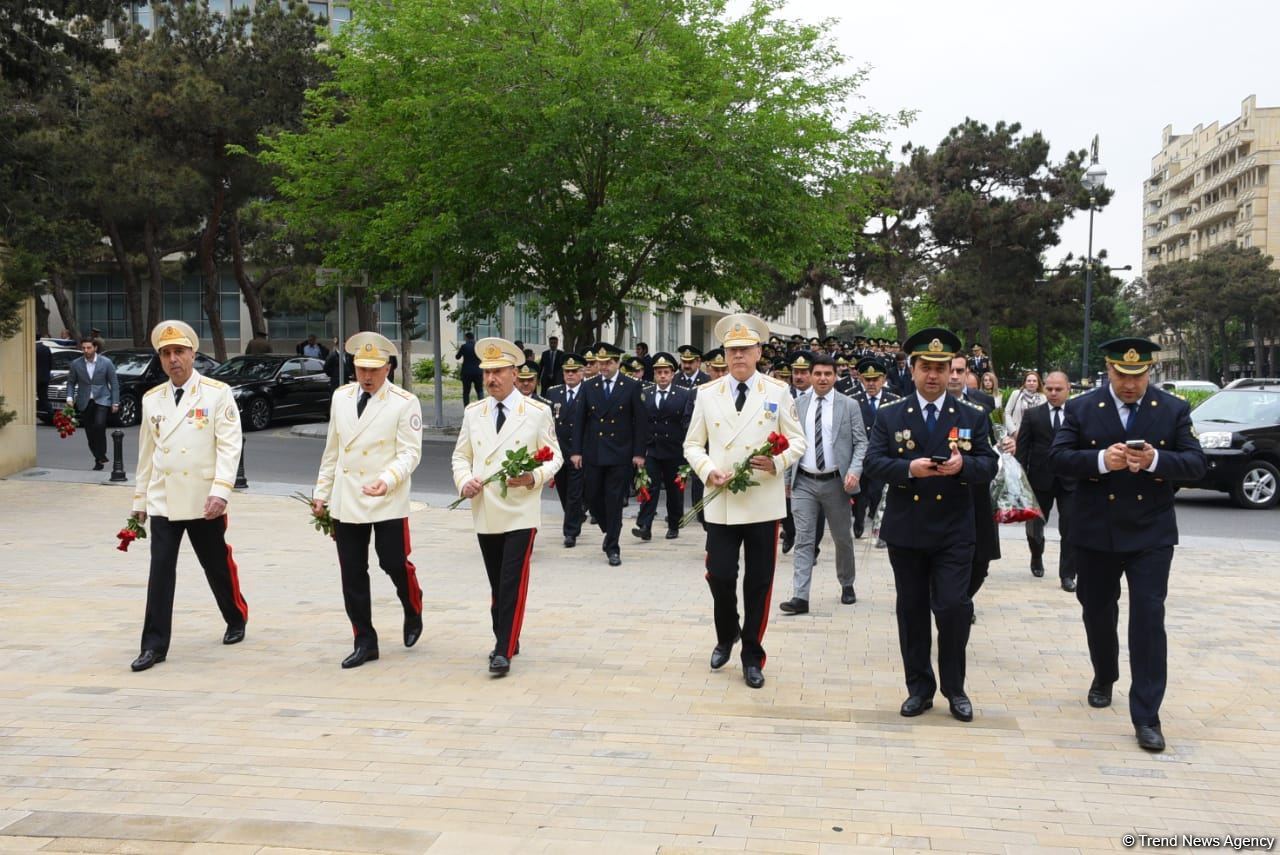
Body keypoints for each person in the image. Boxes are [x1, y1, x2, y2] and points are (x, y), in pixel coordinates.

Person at [1049, 337, 1207, 753]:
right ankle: (1104, 673)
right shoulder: (1082, 407)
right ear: (1108, 370)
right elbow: (1059, 458)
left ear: (1149, 373)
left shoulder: (1171, 409)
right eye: (1122, 375)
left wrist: (1156, 461)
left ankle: (1147, 716)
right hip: (1096, 530)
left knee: (1148, 620)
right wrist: (1102, 460)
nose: (1130, 384)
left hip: (1149, 532)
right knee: (1097, 610)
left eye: (1138, 376)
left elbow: (1196, 464)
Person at [863, 328, 998, 722]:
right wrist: (909, 468)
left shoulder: (972, 416)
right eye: (926, 367)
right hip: (908, 529)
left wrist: (963, 467)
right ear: (913, 368)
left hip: (955, 529)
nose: (934, 375)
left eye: (941, 367)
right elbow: (873, 463)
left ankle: (955, 688)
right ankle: (919, 688)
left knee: (954, 606)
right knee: (912, 609)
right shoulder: (891, 415)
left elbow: (989, 464)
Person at [683, 313, 804, 689]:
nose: (738, 356)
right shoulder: (707, 393)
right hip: (721, 499)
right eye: (732, 350)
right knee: (719, 574)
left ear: (758, 352)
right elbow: (691, 444)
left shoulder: (777, 391)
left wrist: (778, 461)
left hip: (762, 501)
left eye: (745, 350)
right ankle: (727, 632)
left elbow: (797, 440)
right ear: (724, 354)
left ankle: (753, 654)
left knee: (759, 583)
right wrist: (707, 470)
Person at [129, 321, 247, 672]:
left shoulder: (216, 393)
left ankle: (235, 616)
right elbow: (146, 455)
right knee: (161, 570)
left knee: (215, 564)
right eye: (166, 354)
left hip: (203, 498)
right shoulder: (153, 399)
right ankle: (153, 646)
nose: (173, 359)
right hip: (165, 498)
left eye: (179, 352)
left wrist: (221, 492)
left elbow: (229, 446)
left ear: (193, 354)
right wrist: (139, 502)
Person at [451, 337, 562, 675]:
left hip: (519, 509)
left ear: (515, 373)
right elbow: (461, 456)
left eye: (498, 371)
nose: (490, 379)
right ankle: (507, 636)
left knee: (512, 580)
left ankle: (502, 650)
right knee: (496, 581)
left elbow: (554, 456)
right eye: (486, 373)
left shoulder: (536, 412)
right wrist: (464, 480)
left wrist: (533, 477)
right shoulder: (474, 412)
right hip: (485, 508)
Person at [312, 333, 423, 669]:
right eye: (361, 368)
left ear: (388, 368)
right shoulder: (341, 397)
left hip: (386, 496)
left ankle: (412, 603)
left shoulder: (404, 402)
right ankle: (365, 640)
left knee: (392, 561)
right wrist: (321, 493)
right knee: (352, 571)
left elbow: (409, 453)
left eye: (374, 369)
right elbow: (333, 450)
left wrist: (387, 480)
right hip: (348, 498)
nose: (367, 376)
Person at [778, 353, 865, 615]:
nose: (823, 378)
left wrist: (854, 470)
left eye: (828, 374)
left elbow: (861, 442)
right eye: (818, 374)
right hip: (803, 480)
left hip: (837, 483)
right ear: (810, 376)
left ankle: (847, 583)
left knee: (841, 539)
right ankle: (800, 596)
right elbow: (788, 443)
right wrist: (785, 480)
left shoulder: (849, 405)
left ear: (836, 376)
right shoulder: (798, 404)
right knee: (804, 539)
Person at [570, 342, 648, 566]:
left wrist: (638, 453)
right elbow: (580, 421)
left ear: (617, 363)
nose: (603, 367)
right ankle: (609, 531)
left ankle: (613, 546)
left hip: (620, 452)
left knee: (614, 501)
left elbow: (640, 422)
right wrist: (576, 451)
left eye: (608, 363)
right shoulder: (589, 386)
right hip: (593, 451)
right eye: (600, 363)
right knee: (593, 498)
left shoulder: (631, 385)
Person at [950, 356, 1010, 605]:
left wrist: (1008, 443)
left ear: (967, 374)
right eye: (949, 370)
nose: (954, 376)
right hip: (941, 493)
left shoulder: (984, 405)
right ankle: (952, 601)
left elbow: (998, 438)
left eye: (959, 371)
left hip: (976, 490)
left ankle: (963, 599)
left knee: (980, 560)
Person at [1015, 370, 1077, 591]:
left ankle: (1068, 574)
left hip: (1070, 480)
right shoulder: (1033, 415)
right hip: (1040, 478)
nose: (1053, 393)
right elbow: (1022, 449)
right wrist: (1020, 479)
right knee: (1035, 528)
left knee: (1070, 528)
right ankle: (1036, 555)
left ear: (1068, 389)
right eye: (1049, 389)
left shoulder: (1077, 414)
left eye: (1058, 389)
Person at [632, 352, 691, 542]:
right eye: (659, 373)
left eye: (666, 372)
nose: (663, 376)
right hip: (653, 449)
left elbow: (687, 423)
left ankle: (674, 524)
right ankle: (645, 525)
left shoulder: (684, 394)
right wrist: (639, 451)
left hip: (674, 450)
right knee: (649, 486)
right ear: (654, 375)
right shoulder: (646, 393)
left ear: (673, 374)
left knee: (674, 491)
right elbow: (639, 424)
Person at [850, 357, 900, 540]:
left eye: (875, 379)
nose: (871, 383)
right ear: (861, 380)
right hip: (860, 456)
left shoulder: (893, 400)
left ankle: (878, 524)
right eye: (867, 379)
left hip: (882, 456)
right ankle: (859, 521)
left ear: (883, 379)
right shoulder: (853, 400)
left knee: (878, 491)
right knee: (860, 493)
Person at [543, 353, 587, 547]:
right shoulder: (554, 393)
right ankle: (575, 516)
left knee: (575, 493)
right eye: (566, 371)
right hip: (558, 451)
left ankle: (570, 532)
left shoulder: (589, 391)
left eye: (574, 371)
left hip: (579, 451)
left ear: (582, 372)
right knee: (563, 490)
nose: (570, 375)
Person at [65, 336, 120, 470]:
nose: (86, 350)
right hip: (84, 401)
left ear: (95, 348)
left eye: (89, 347)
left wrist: (115, 402)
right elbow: (71, 383)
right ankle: (98, 459)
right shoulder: (76, 364)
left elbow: (114, 383)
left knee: (99, 425)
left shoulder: (106, 362)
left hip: (102, 399)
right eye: (83, 348)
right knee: (90, 432)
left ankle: (101, 454)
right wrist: (69, 398)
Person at [1003, 370, 1046, 434]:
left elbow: (1045, 417)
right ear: (1025, 383)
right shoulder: (1016, 394)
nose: (1031, 383)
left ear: (1038, 383)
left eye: (1034, 381)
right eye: (1029, 381)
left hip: (1036, 435)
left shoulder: (1043, 397)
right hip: (1017, 433)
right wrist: (1013, 431)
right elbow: (1007, 413)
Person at [455, 332, 483, 405]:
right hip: (478, 371)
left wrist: (460, 350)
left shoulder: (464, 346)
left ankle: (466, 408)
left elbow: (457, 357)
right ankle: (482, 407)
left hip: (467, 372)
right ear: (473, 338)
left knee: (466, 392)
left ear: (466, 338)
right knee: (480, 390)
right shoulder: (478, 346)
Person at [35, 340, 52, 421]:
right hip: (45, 377)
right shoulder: (46, 348)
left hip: (34, 377)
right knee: (43, 397)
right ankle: (50, 414)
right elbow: (50, 363)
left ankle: (49, 414)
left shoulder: (32, 348)